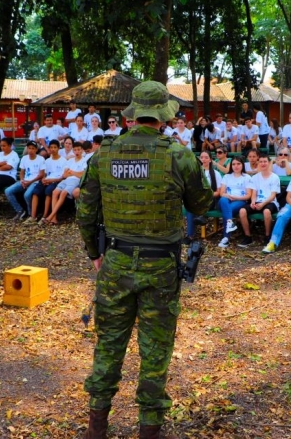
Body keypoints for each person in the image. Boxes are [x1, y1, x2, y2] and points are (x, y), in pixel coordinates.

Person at [76, 80, 212, 439]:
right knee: (155, 348)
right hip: (161, 266)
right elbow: (202, 205)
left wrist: (95, 254)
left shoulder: (104, 153)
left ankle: (97, 426)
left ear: (133, 113)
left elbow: (85, 212)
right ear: (163, 115)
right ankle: (149, 428)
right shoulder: (178, 155)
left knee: (108, 344)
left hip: (116, 261)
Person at [238, 153, 280, 247]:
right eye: (261, 162)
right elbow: (254, 193)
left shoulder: (274, 177)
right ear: (258, 163)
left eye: (265, 161)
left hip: (270, 202)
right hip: (257, 201)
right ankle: (247, 236)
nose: (263, 163)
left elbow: (273, 195)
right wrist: (253, 202)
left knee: (266, 211)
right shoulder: (255, 177)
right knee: (242, 211)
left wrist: (263, 203)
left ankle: (267, 236)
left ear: (269, 163)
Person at [44, 141, 87, 225]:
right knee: (55, 192)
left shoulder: (84, 161)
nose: (77, 152)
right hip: (66, 180)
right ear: (73, 151)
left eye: (78, 150)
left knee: (63, 193)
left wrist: (72, 172)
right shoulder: (70, 161)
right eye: (75, 150)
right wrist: (74, 173)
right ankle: (54, 218)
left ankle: (50, 216)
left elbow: (82, 174)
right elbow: (64, 174)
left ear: (82, 150)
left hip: (75, 181)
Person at [184, 150, 222, 244]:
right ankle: (190, 235)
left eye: (206, 157)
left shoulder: (216, 174)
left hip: (211, 200)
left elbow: (219, 192)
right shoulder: (195, 173)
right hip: (198, 200)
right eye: (201, 157)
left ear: (210, 160)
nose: (203, 159)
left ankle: (201, 216)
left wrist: (207, 195)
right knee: (190, 207)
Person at [27, 140, 69, 224]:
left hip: (56, 181)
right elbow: (44, 174)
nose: (53, 149)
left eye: (55, 147)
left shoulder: (64, 161)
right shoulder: (47, 161)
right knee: (35, 192)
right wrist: (44, 179)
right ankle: (33, 216)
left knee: (48, 191)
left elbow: (63, 177)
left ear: (58, 148)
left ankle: (45, 216)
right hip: (47, 180)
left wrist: (52, 180)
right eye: (51, 147)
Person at [4, 141, 46, 221]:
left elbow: (41, 175)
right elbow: (22, 172)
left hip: (35, 182)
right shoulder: (24, 158)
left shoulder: (40, 159)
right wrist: (22, 180)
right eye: (29, 148)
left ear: (36, 150)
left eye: (33, 148)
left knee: (27, 195)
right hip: (25, 181)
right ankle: (20, 210)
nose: (30, 150)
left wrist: (29, 182)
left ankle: (31, 214)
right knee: (8, 191)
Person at [218, 156, 253, 248]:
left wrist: (236, 197)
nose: (236, 166)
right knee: (223, 200)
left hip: (240, 201)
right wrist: (229, 196)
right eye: (233, 164)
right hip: (227, 199)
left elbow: (248, 195)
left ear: (242, 165)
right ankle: (230, 223)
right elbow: (221, 193)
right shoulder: (227, 176)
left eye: (238, 164)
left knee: (227, 210)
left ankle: (226, 238)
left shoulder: (246, 177)